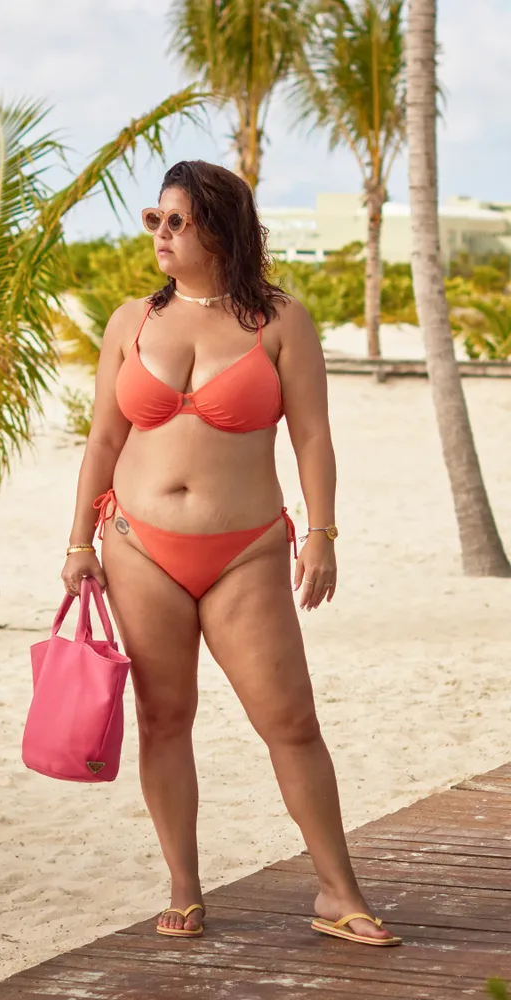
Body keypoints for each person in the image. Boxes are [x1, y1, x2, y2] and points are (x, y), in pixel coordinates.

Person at [61, 160, 400, 947]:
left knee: (289, 719)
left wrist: (322, 532)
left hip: (245, 549)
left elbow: (312, 435)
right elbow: (104, 438)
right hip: (139, 545)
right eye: (155, 220)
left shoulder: (281, 320)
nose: (160, 235)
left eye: (176, 221)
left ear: (220, 226)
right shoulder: (131, 322)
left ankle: (337, 892)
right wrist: (79, 540)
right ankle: (184, 883)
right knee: (163, 716)